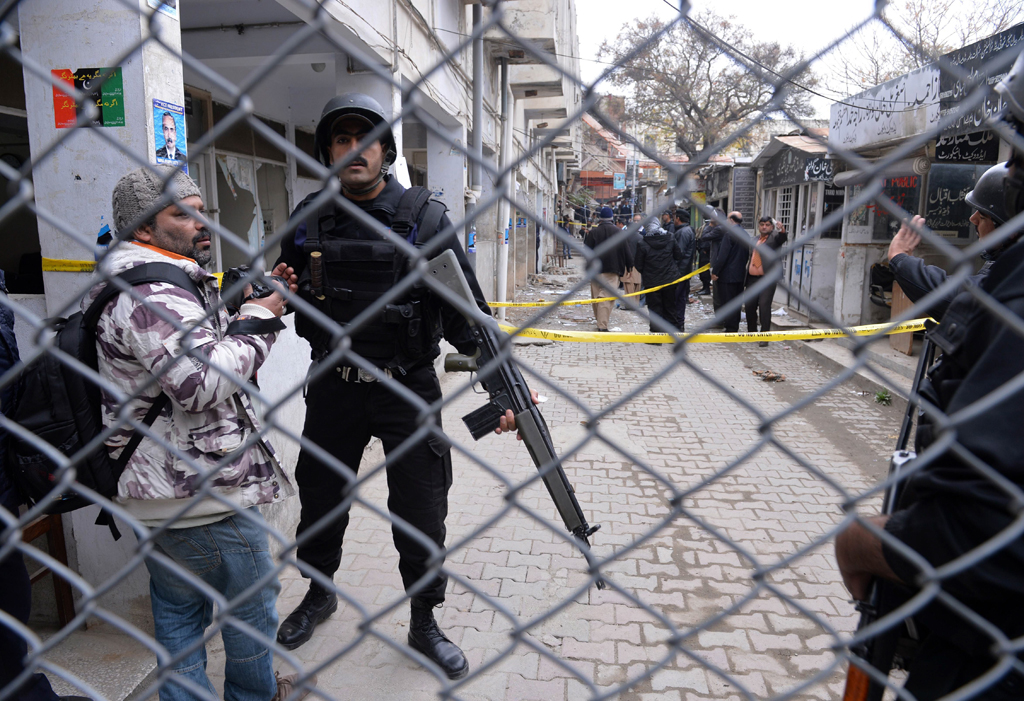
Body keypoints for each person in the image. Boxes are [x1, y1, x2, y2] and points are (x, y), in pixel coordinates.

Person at [272, 93, 515, 681]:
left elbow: (467, 316)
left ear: (384, 151)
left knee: (422, 507)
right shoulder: (308, 218)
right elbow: (285, 288)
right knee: (321, 496)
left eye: (365, 138)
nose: (351, 149)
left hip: (408, 386)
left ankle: (424, 620)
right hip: (333, 382)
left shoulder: (427, 218)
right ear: (326, 151)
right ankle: (320, 592)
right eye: (339, 139)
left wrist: (503, 391)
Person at [836, 48, 1024, 700]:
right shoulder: (996, 275)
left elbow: (976, 520)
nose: (973, 220)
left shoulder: (1007, 282)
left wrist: (873, 542)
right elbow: (950, 289)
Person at [94, 166, 307, 700]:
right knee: (251, 613)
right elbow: (199, 383)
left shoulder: (145, 278)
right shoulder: (152, 291)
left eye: (201, 212)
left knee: (179, 614)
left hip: (163, 490)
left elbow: (181, 357)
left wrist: (244, 308)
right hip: (202, 494)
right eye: (181, 214)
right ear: (143, 227)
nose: (200, 224)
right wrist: (259, 318)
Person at [887, 163, 1018, 320]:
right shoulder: (1009, 262)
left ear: (1011, 230)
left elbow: (960, 299)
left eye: (983, 216)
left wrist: (899, 258)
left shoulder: (1014, 274)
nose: (973, 219)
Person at [584, 206, 633, 331]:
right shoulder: (619, 232)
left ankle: (599, 320)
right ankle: (602, 324)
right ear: (612, 218)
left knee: (596, 297)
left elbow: (586, 251)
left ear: (600, 218)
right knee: (607, 296)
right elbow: (627, 251)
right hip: (613, 270)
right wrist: (630, 267)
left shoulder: (593, 232)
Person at [634, 217, 684, 333]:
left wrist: (647, 272)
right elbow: (678, 255)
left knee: (654, 308)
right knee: (670, 307)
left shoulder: (642, 243)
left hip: (652, 281)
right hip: (670, 280)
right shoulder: (670, 237)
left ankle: (656, 336)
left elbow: (638, 264)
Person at [744, 216, 787, 345]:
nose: (764, 227)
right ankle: (752, 332)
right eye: (762, 224)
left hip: (767, 279)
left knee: (764, 306)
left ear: (772, 227)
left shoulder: (774, 238)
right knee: (749, 306)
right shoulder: (754, 239)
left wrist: (782, 230)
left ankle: (764, 336)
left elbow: (782, 238)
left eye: (767, 225)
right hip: (752, 279)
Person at [710, 211, 749, 333]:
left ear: (732, 220)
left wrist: (715, 271)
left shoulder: (729, 234)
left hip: (727, 275)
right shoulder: (745, 234)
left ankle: (730, 327)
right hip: (739, 274)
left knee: (727, 301)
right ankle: (734, 326)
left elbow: (722, 256)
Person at [672, 210, 696, 329]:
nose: (673, 220)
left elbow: (679, 254)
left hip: (679, 273)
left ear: (678, 219)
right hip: (684, 272)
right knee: (680, 300)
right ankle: (679, 326)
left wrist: (673, 271)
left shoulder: (683, 232)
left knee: (676, 301)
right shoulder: (687, 230)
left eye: (675, 218)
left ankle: (676, 326)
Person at [620, 218, 643, 298]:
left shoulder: (623, 237)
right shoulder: (640, 237)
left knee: (628, 284)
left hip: (627, 263)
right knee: (637, 285)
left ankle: (629, 303)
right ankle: (636, 303)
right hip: (638, 264)